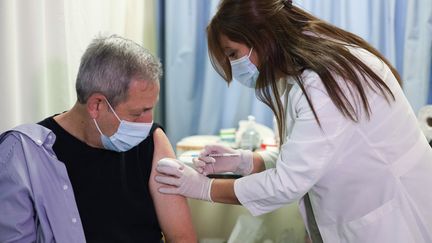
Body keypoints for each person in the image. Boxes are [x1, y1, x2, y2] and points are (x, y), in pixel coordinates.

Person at [154, 0, 432, 242]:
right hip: (367, 211)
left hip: (393, 220)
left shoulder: (325, 82)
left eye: (233, 54)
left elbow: (289, 181)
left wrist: (203, 188)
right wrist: (247, 161)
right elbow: (314, 155)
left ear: (261, 37)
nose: (234, 65)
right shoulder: (301, 75)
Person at [0, 35, 197, 243]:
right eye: (138, 113)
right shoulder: (24, 153)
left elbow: (182, 237)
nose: (148, 122)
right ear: (97, 105)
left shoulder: (153, 141)